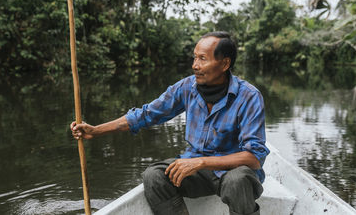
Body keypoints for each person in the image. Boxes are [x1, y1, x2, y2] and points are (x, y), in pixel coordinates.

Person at [70, 31, 270, 215]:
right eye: (194, 57)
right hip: (197, 171)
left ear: (225, 64)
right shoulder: (186, 87)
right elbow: (146, 115)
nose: (195, 65)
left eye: (202, 59)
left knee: (238, 181)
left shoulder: (249, 96)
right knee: (154, 176)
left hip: (232, 172)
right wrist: (95, 131)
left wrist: (201, 161)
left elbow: (254, 157)